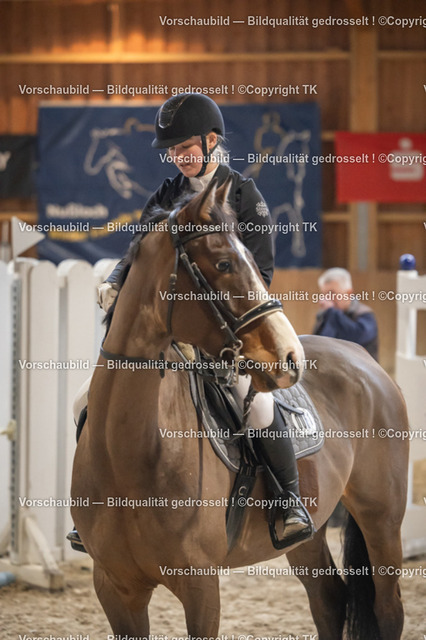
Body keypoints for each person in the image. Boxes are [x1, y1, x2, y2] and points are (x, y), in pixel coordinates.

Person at [68, 94, 313, 551]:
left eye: (185, 148)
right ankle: (95, 510)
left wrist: (221, 325)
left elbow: (258, 274)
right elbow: (140, 249)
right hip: (170, 333)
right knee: (85, 399)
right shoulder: (167, 195)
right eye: (172, 151)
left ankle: (289, 503)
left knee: (259, 407)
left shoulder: (243, 195)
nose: (178, 157)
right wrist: (116, 279)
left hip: (224, 332)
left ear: (211, 140)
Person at [312, 267, 378, 361]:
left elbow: (355, 339)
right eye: (323, 294)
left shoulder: (365, 315)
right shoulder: (325, 315)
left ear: (349, 293)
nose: (326, 299)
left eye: (332, 293)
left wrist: (331, 311)